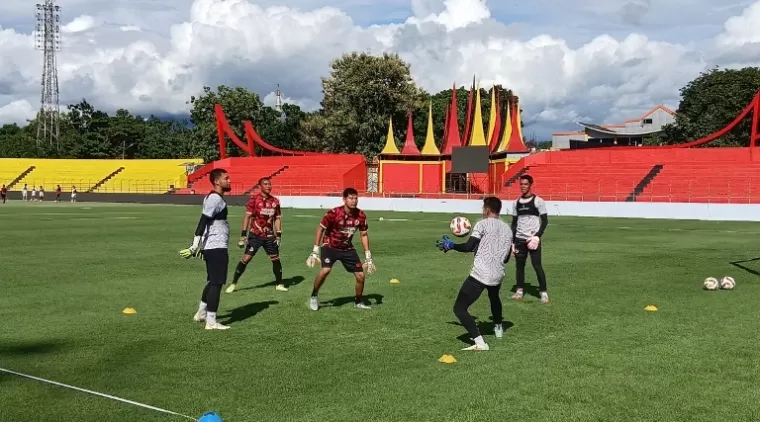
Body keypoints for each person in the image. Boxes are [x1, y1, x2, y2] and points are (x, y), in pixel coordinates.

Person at [436, 197, 513, 351]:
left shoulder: (482, 224)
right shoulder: (507, 229)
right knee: (494, 297)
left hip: (481, 274)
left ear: (487, 209)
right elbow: (506, 257)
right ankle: (498, 328)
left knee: (459, 308)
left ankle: (480, 343)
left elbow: (468, 246)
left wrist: (451, 245)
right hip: (498, 274)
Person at [306, 188, 376, 311]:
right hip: (330, 246)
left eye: (356, 198)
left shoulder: (360, 215)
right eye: (351, 198)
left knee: (360, 275)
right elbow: (320, 229)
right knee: (325, 271)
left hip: (347, 248)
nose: (354, 201)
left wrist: (368, 256)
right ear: (344, 199)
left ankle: (358, 301)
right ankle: (314, 295)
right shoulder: (334, 213)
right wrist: (315, 250)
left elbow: (363, 235)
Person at [179, 168, 232, 330]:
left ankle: (201, 313)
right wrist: (195, 246)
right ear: (217, 181)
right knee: (217, 283)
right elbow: (202, 222)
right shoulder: (215, 199)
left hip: (213, 246)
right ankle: (211, 321)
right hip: (216, 246)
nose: (229, 181)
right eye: (226, 178)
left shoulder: (214, 198)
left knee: (212, 282)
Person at [226, 177, 285, 293]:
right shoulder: (254, 200)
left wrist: (278, 235)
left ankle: (279, 284)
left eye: (270, 184)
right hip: (255, 235)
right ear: (260, 187)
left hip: (269, 236)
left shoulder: (275, 202)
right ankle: (233, 283)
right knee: (246, 258)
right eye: (266, 184)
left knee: (276, 260)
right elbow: (247, 217)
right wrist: (243, 235)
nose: (268, 186)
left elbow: (277, 219)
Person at [510, 174, 550, 303]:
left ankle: (543, 293)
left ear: (530, 185)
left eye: (525, 184)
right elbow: (514, 223)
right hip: (520, 239)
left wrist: (537, 236)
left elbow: (544, 221)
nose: (523, 186)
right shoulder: (516, 203)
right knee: (519, 267)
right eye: (521, 184)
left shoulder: (538, 201)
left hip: (533, 240)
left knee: (537, 265)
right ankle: (519, 291)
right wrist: (512, 242)